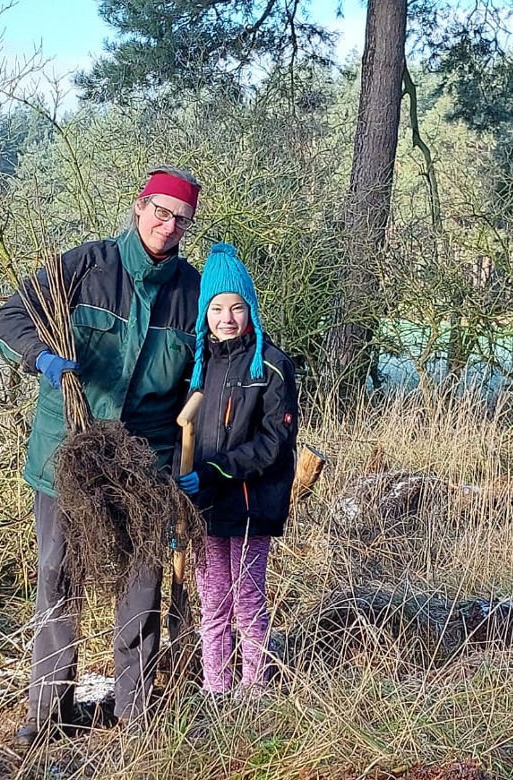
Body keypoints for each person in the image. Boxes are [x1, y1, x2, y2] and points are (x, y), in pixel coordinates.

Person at [0, 166, 202, 749]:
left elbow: (205, 381)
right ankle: (47, 713)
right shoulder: (84, 267)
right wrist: (42, 358)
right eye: (159, 211)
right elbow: (10, 317)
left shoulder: (192, 292)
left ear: (188, 226)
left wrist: (194, 458)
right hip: (66, 454)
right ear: (139, 208)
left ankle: (134, 712)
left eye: (179, 218)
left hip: (145, 463)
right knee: (58, 578)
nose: (167, 224)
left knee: (142, 585)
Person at [175, 243, 298, 697]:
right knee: (212, 605)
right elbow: (182, 435)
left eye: (237, 308)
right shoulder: (198, 368)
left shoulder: (271, 367)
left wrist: (212, 471)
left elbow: (272, 445)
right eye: (217, 307)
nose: (227, 318)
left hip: (250, 508)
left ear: (251, 310)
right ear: (205, 312)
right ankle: (216, 691)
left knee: (246, 602)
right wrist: (178, 495)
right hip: (205, 508)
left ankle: (255, 692)